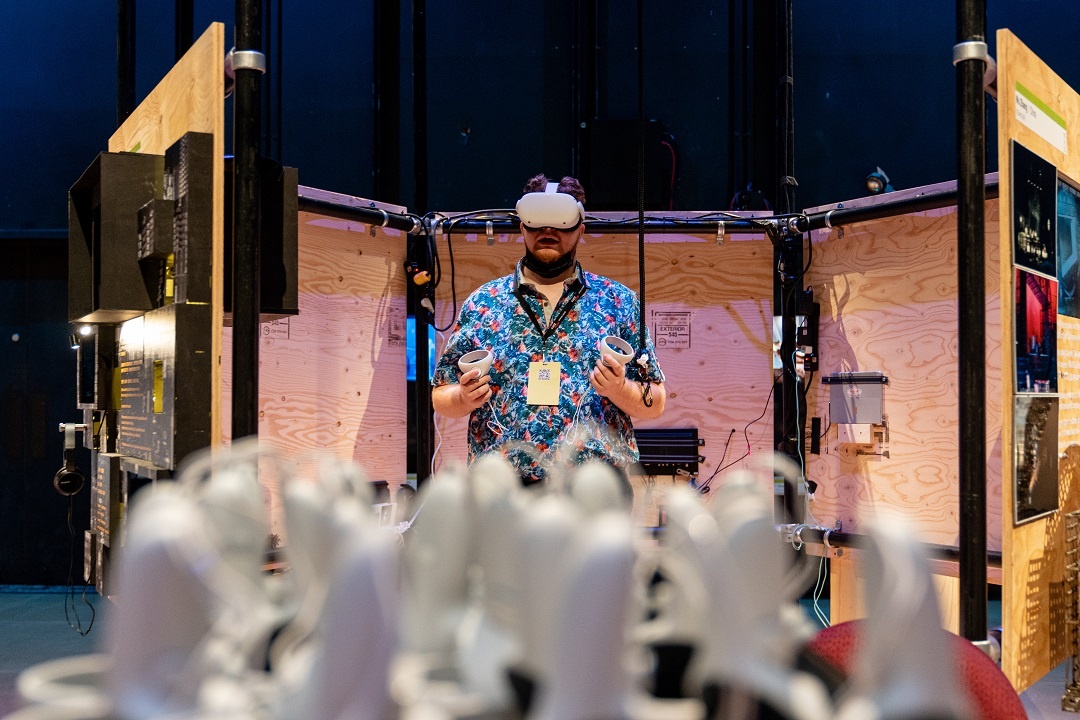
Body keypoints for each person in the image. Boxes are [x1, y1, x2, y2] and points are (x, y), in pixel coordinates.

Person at [431, 173, 666, 493]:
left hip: (594, 488)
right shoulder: (484, 303)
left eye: (561, 222)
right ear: (522, 227)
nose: (548, 231)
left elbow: (655, 401)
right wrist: (462, 397)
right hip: (504, 490)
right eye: (538, 221)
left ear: (580, 228)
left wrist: (619, 388)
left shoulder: (617, 302)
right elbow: (441, 395)